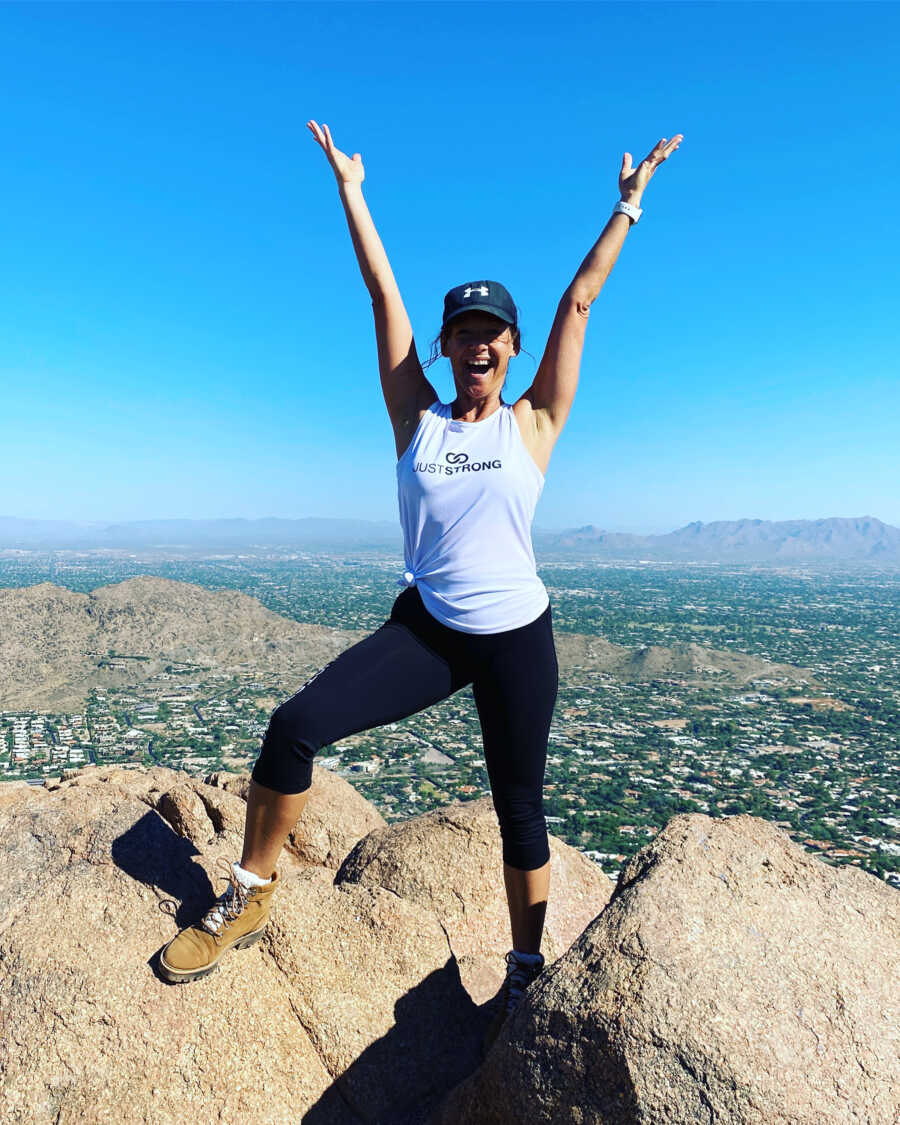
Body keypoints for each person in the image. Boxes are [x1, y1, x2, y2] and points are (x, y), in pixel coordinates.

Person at [160, 121, 682, 1040]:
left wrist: (628, 204)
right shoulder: (419, 419)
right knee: (295, 726)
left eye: (492, 334)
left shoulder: (533, 423)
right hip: (432, 627)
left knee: (521, 800)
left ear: (512, 348)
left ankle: (525, 967)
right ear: (444, 349)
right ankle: (248, 893)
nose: (476, 346)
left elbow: (581, 301)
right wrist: (352, 192)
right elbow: (381, 294)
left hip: (518, 633)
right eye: (462, 334)